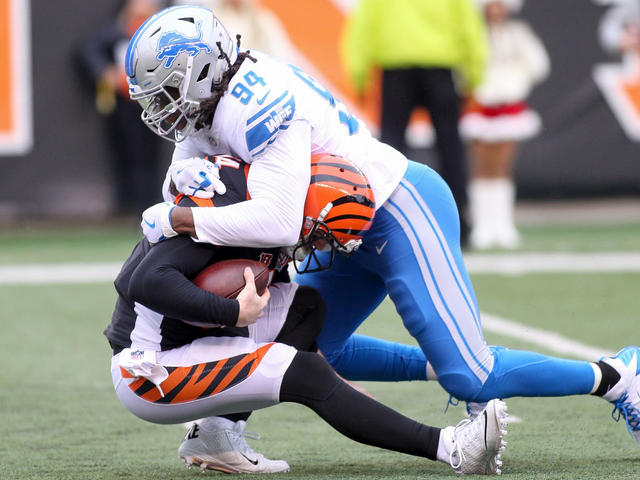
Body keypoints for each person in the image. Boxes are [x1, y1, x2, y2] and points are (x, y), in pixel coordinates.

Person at [129, 5, 640, 456]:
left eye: (169, 89)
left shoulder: (254, 105)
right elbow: (182, 184)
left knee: (475, 376)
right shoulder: (212, 105)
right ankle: (223, 432)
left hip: (397, 209)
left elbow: (276, 220)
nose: (162, 106)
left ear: (204, 72)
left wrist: (179, 218)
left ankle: (616, 376)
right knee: (305, 344)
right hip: (339, 230)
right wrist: (178, 200)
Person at [105, 154, 508, 475]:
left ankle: (216, 435)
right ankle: (453, 449)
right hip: (148, 369)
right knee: (303, 373)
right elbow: (145, 280)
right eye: (319, 234)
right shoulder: (233, 211)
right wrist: (232, 310)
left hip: (186, 339)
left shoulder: (272, 213)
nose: (317, 245)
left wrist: (343, 389)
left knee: (305, 308)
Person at [340, 0, 489, 246]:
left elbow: (364, 27)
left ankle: (384, 223)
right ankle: (459, 225)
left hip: (396, 69)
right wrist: (474, 76)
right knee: (450, 150)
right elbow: (469, 25)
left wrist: (359, 76)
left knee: (390, 150)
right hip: (440, 67)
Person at [459, 0, 550, 249]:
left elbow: (539, 64)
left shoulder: (518, 32)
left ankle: (502, 223)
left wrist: (515, 80)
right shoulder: (472, 33)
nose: (496, 9)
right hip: (480, 106)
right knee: (481, 166)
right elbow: (462, 66)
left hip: (509, 106)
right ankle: (482, 225)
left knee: (502, 165)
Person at [76, 0, 169, 216]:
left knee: (153, 156)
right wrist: (105, 72)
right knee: (130, 154)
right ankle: (131, 205)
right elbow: (89, 49)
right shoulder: (116, 32)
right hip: (127, 104)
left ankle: (152, 202)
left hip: (157, 101)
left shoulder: (163, 32)